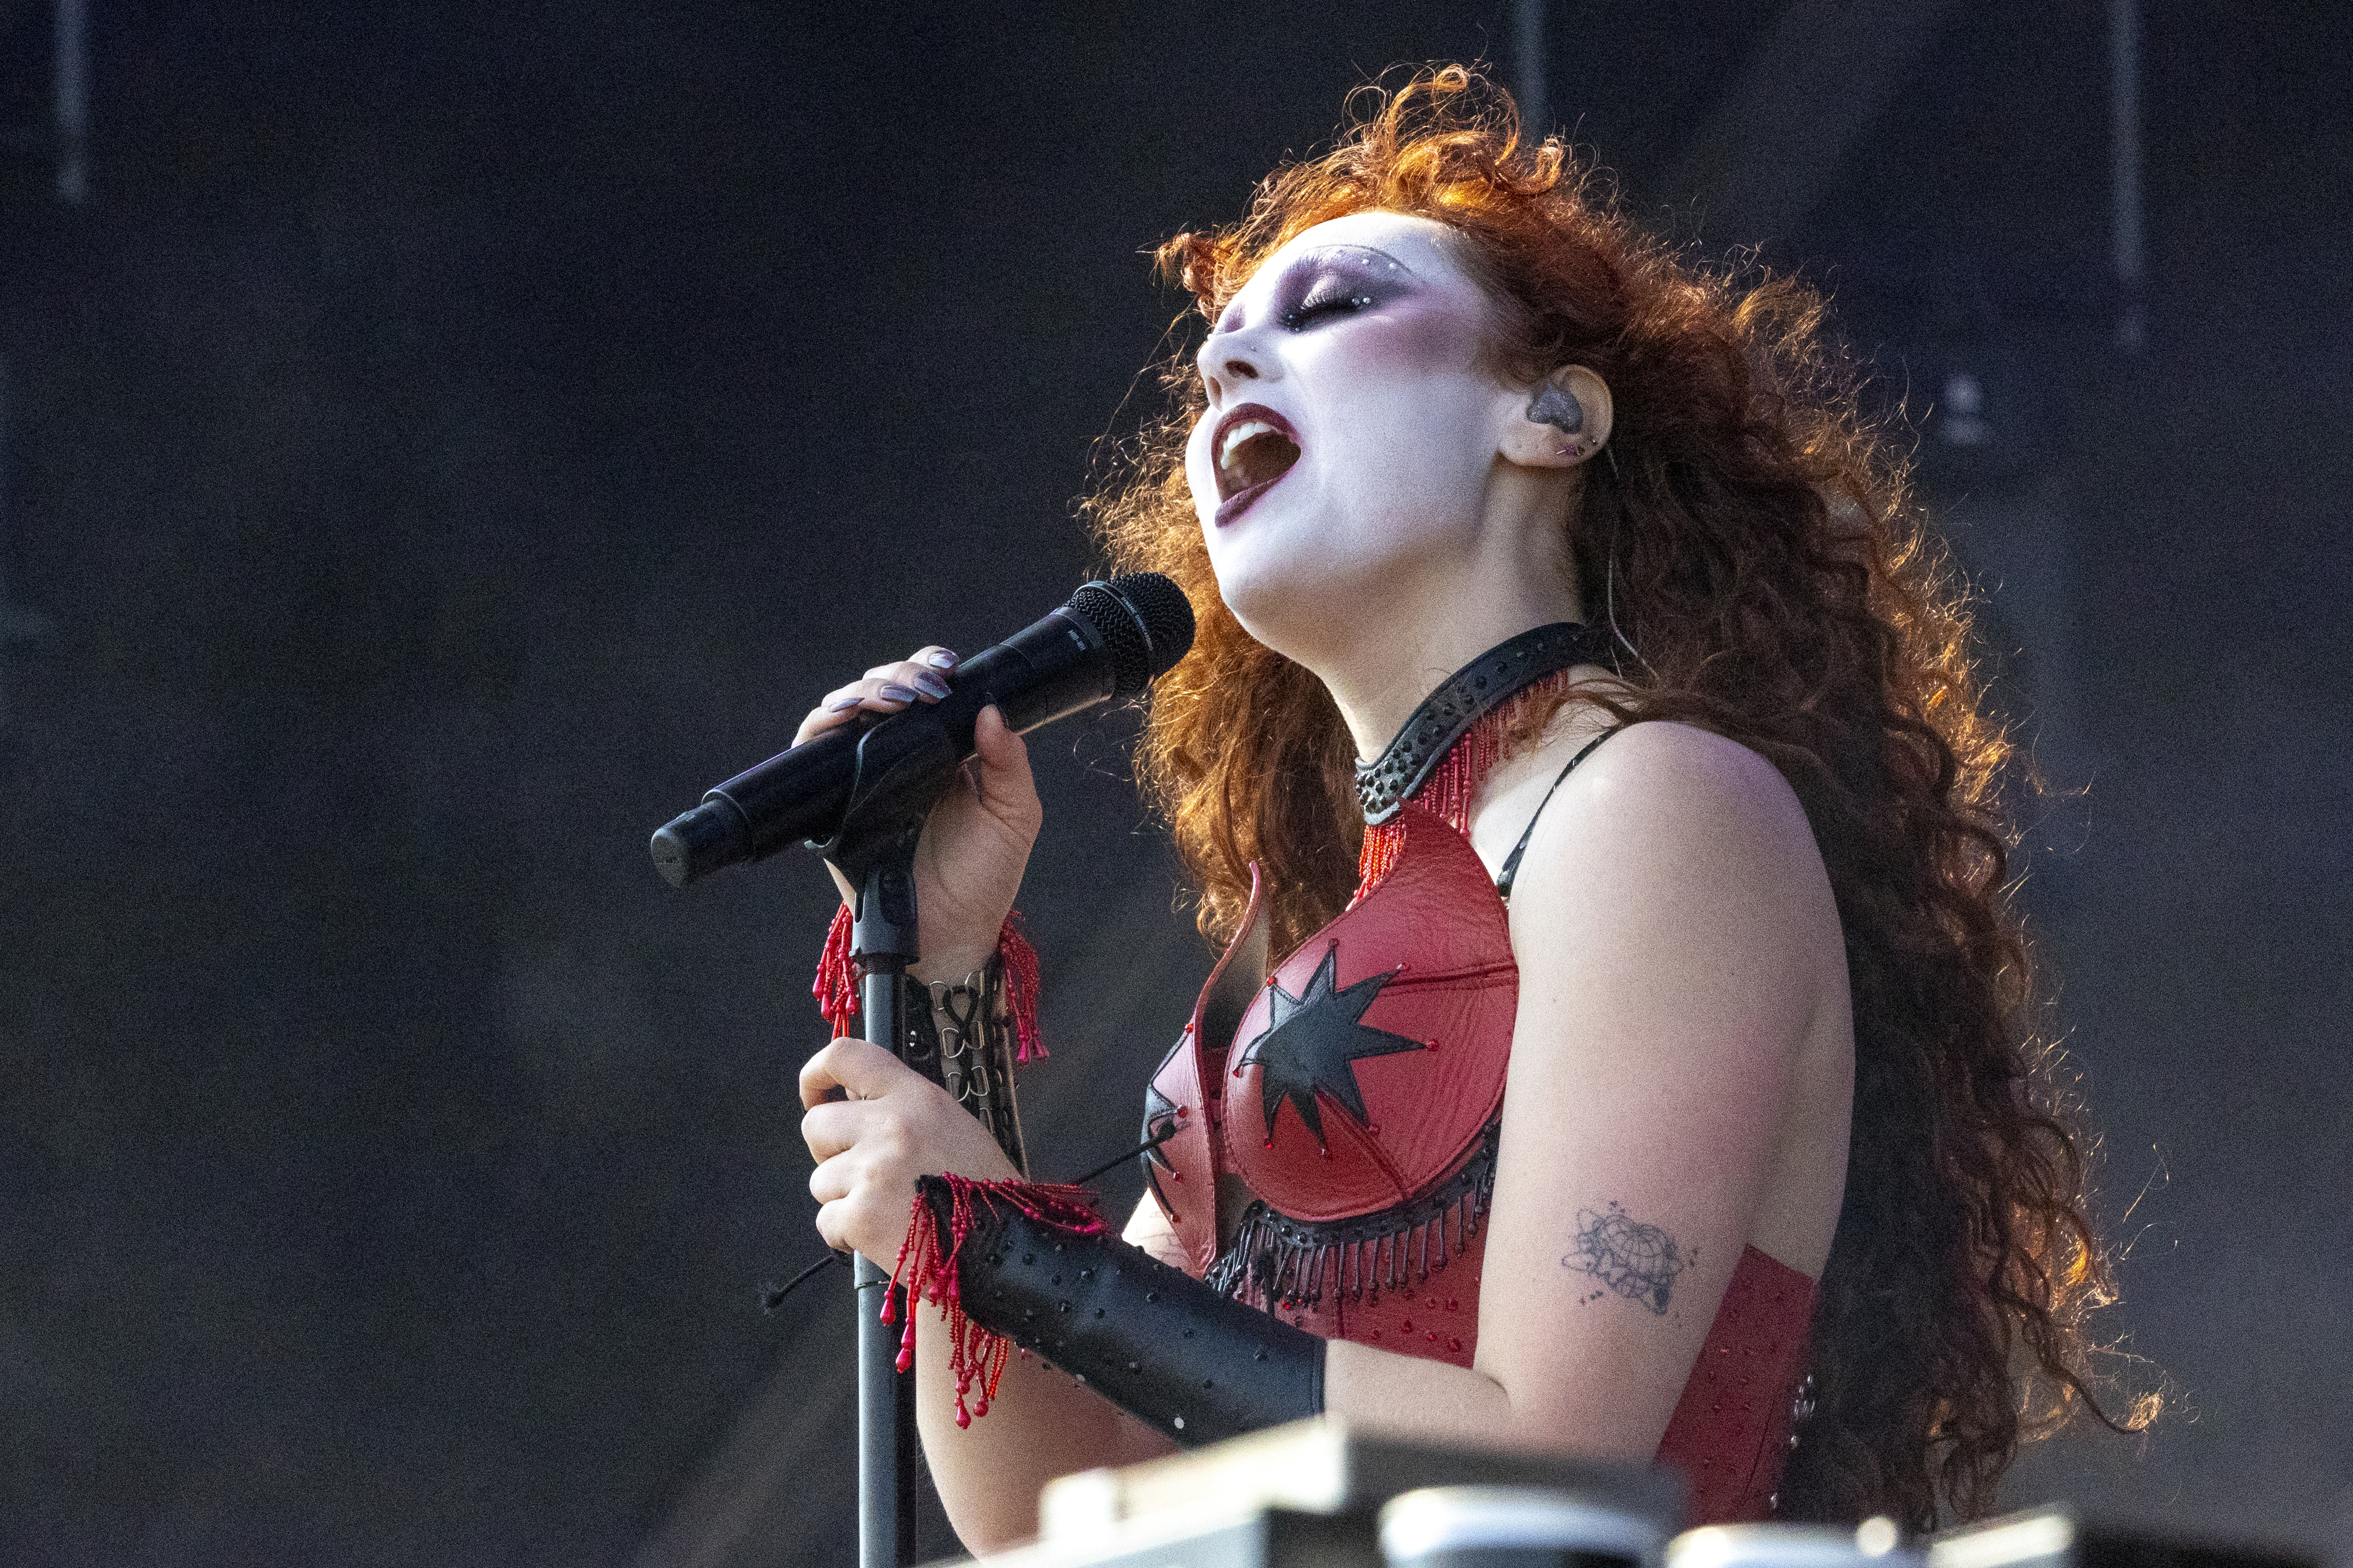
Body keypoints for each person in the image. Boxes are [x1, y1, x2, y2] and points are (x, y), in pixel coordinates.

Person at [793, 67, 2148, 1555]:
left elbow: (1551, 1456)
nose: (1233, 365)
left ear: (1551, 417)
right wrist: (938, 982)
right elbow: (1038, 1509)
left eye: (1328, 310)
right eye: (1213, 360)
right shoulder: (1332, 934)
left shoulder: (1655, 805)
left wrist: (1016, 1253)